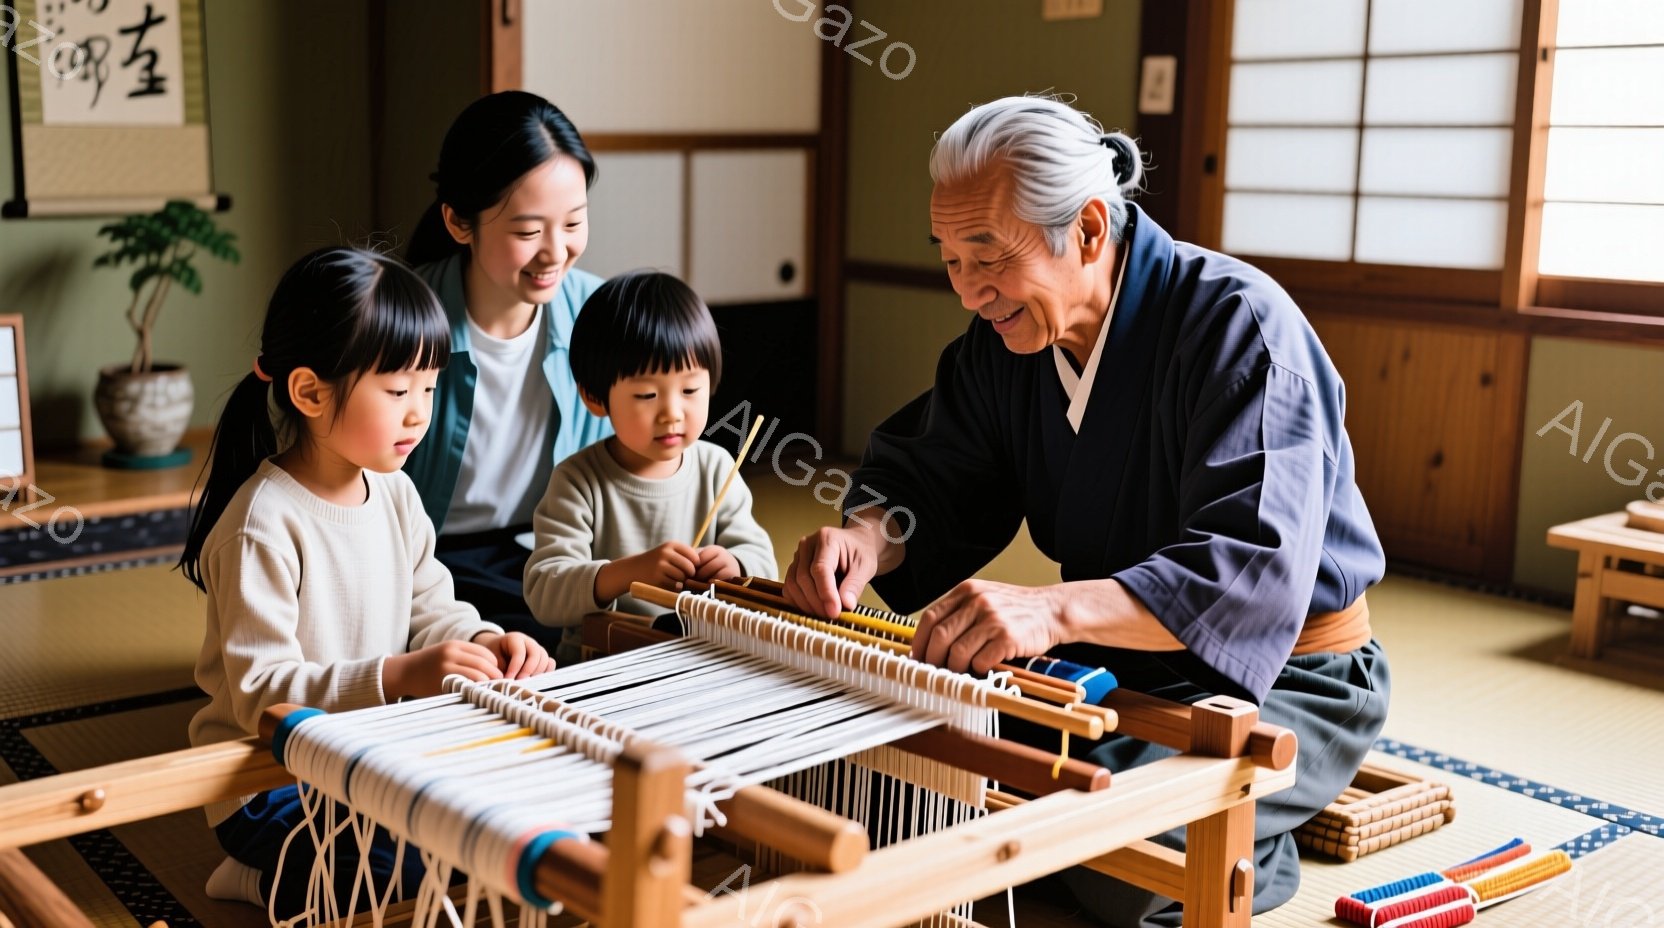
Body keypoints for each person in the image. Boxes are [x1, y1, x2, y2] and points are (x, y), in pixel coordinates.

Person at [783, 95, 1390, 927]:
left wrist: (1054, 607)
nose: (970, 291)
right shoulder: (1011, 344)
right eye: (952, 259)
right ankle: (1207, 809)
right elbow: (940, 474)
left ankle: (1255, 837)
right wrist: (867, 539)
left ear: (1092, 231)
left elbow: (1251, 566)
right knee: (907, 773)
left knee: (1114, 855)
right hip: (1120, 665)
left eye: (989, 254)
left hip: (1288, 677)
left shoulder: (1241, 328)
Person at [178, 247, 555, 920]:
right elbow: (261, 698)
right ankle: (256, 880)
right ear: (309, 392)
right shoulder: (261, 526)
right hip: (270, 782)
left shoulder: (395, 492)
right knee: (404, 871)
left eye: (430, 388)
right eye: (397, 390)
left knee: (499, 828)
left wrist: (487, 642)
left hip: (369, 762)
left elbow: (432, 605)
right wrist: (398, 675)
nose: (420, 414)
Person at [403, 90, 613, 649]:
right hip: (420, 565)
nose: (555, 253)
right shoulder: (398, 320)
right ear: (457, 221)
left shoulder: (602, 319)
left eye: (573, 224)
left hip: (551, 556)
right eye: (527, 232)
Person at [524, 271, 778, 663]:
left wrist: (735, 565)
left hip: (699, 659)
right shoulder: (578, 482)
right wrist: (627, 573)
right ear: (594, 397)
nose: (672, 413)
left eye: (690, 390)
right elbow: (544, 591)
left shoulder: (715, 467)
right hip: (601, 662)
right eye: (646, 394)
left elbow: (763, 561)